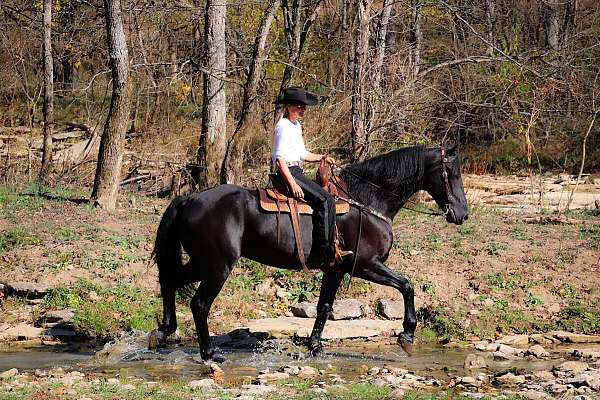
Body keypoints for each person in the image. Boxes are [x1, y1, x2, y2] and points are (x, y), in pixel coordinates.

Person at [272, 86, 352, 267]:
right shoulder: (283, 126)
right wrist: (292, 183)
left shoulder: (296, 126)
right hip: (289, 173)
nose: (303, 110)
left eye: (304, 106)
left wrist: (322, 158)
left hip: (296, 170)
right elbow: (280, 159)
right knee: (325, 200)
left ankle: (332, 244)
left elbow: (303, 154)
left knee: (328, 198)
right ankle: (324, 250)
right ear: (290, 107)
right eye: (300, 106)